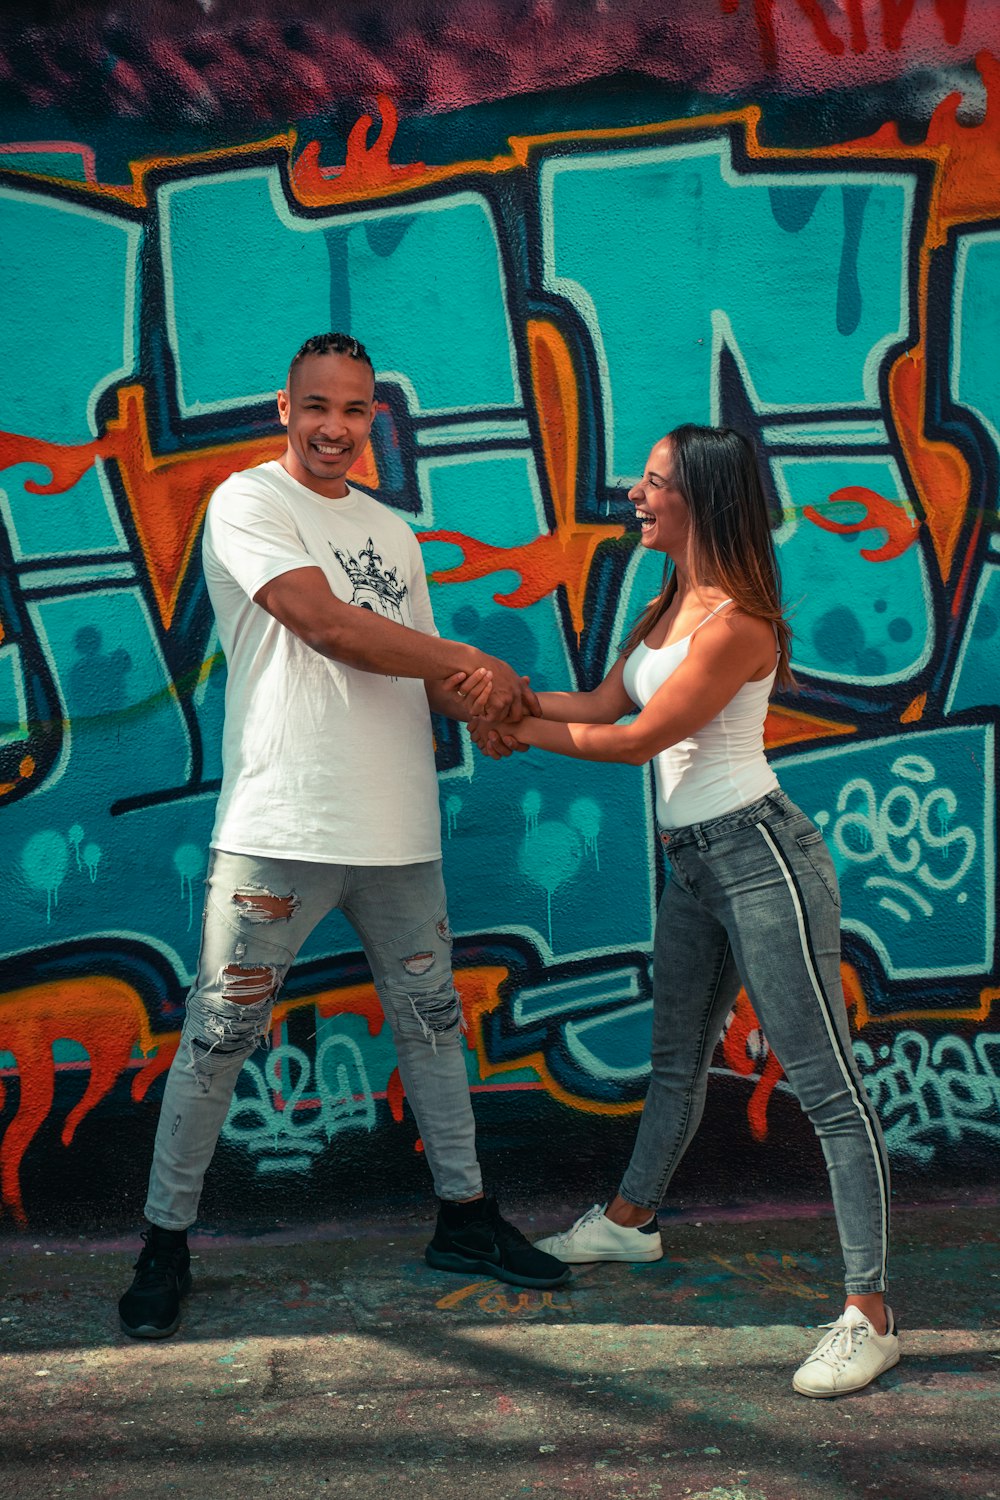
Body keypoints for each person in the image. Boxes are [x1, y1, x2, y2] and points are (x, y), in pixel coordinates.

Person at [117, 332, 569, 1339]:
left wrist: (499, 709)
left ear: (375, 420)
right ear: (286, 409)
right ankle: (163, 1242)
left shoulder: (392, 532)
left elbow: (414, 666)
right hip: (282, 822)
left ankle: (464, 1214)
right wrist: (469, 660)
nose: (334, 429)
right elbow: (324, 625)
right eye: (316, 407)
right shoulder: (248, 502)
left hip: (397, 824)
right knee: (222, 1035)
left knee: (434, 1026)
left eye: (355, 410)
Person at [471, 424, 897, 1398]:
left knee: (826, 1087)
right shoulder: (666, 605)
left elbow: (635, 741)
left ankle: (869, 1314)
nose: (636, 493)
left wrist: (516, 730)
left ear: (698, 497)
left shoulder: (738, 621)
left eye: (655, 482)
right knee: (674, 1059)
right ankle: (629, 1226)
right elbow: (593, 699)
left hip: (759, 859)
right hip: (693, 865)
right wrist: (500, 698)